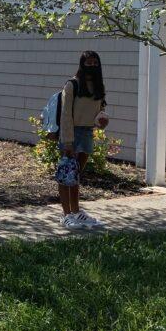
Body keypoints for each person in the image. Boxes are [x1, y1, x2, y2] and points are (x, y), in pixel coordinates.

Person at [57, 50, 108, 230]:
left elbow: (99, 111)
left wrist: (101, 120)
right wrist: (68, 141)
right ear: (82, 64)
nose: (92, 66)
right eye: (89, 62)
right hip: (71, 133)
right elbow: (65, 115)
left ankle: (76, 211)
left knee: (76, 175)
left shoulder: (98, 86)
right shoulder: (72, 85)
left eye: (95, 63)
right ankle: (66, 215)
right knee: (65, 174)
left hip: (87, 133)